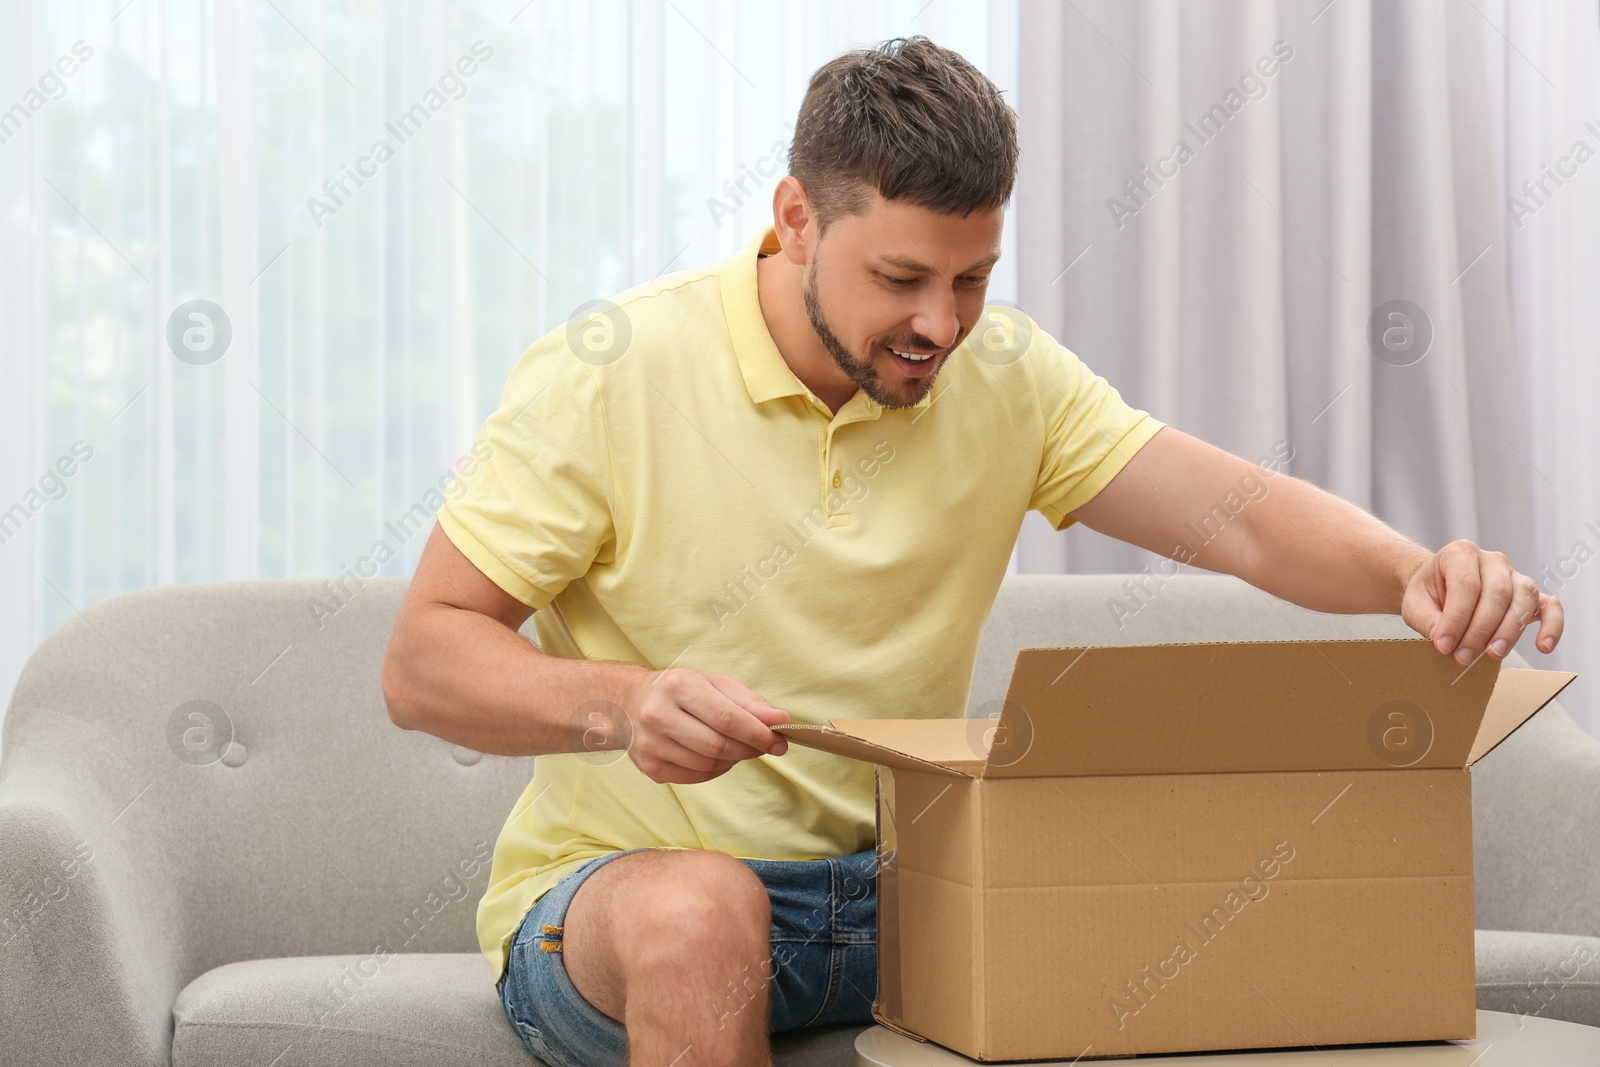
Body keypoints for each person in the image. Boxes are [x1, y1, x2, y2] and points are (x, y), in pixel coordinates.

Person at [380, 35, 1563, 1067]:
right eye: (898, 277)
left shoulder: (1006, 378)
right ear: (795, 219)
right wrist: (623, 703)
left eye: (972, 279)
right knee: (705, 909)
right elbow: (424, 659)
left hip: (911, 892)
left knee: (1179, 893)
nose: (937, 325)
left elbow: (1240, 513)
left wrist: (1412, 571)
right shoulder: (613, 371)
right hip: (623, 897)